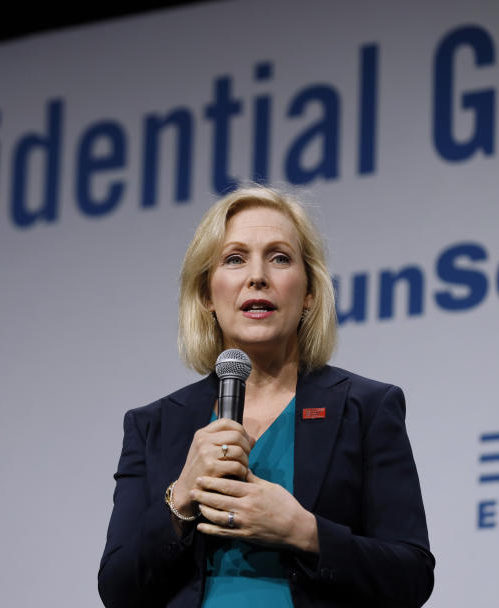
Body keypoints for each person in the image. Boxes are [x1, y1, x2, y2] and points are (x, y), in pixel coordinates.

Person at [98, 185, 434, 607]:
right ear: (206, 294)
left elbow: (411, 576)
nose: (257, 276)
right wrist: (181, 497)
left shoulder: (365, 408)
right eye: (235, 259)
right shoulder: (154, 425)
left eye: (279, 258)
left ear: (309, 292)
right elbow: (118, 590)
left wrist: (304, 532)